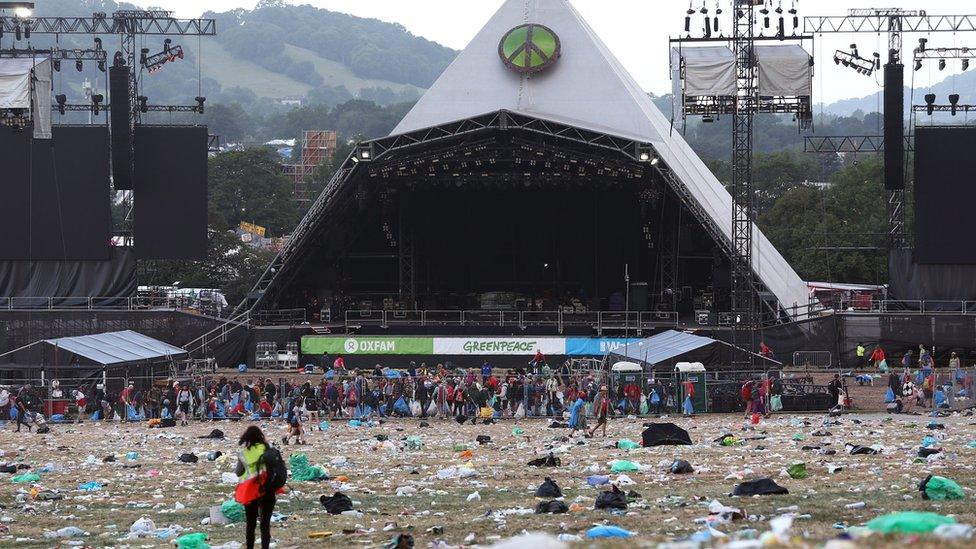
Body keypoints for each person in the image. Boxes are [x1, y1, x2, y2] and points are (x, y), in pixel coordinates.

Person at [236, 426, 277, 549]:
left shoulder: (244, 452)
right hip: (267, 489)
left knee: (251, 524)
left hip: (251, 492)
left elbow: (238, 472)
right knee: (265, 524)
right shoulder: (266, 448)